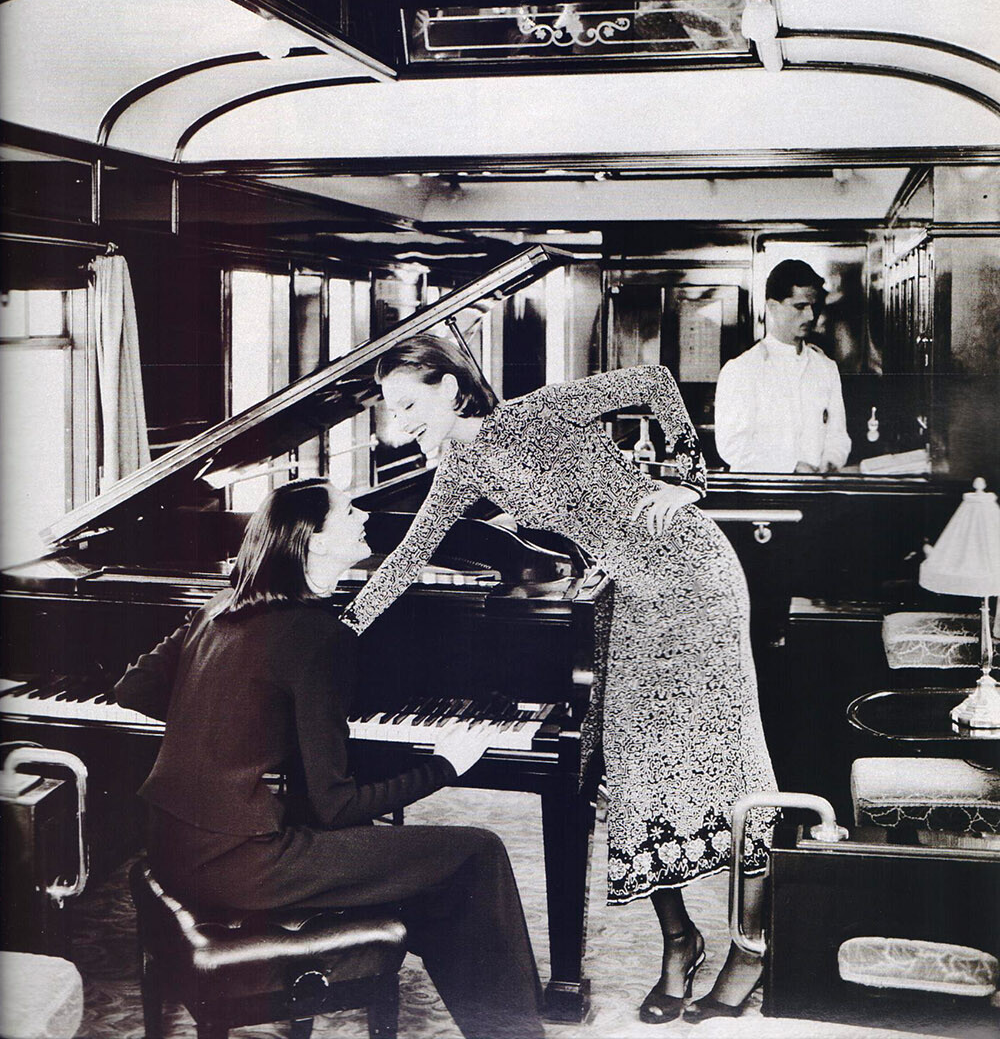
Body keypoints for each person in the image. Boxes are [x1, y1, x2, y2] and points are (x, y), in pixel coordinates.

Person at [339, 334, 777, 1024]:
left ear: (450, 388)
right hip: (627, 598)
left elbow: (656, 381)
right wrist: (335, 632)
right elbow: (405, 559)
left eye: (410, 405)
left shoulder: (535, 411)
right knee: (631, 770)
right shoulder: (460, 472)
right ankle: (680, 940)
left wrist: (690, 479)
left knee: (730, 759)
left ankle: (752, 947)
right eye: (391, 412)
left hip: (694, 578)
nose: (401, 424)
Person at [114, 478, 544, 1039]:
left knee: (423, 870)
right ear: (314, 541)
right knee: (476, 852)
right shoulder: (318, 635)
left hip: (171, 845)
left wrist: (230, 726)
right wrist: (446, 765)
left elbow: (133, 688)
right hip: (238, 866)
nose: (363, 516)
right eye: (347, 512)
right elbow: (335, 807)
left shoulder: (220, 605)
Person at [714, 259, 852, 474]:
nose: (810, 316)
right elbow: (732, 445)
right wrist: (790, 467)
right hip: (762, 490)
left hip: (816, 488)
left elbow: (838, 435)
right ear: (772, 307)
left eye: (813, 306)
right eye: (800, 306)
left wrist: (831, 461)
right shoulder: (741, 370)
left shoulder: (825, 368)